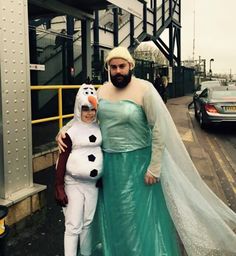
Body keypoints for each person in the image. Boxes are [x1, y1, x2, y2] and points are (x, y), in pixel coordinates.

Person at [57, 47, 236, 256]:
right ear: (108, 69)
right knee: (115, 217)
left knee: (137, 219)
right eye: (113, 67)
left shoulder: (145, 89)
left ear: (130, 66)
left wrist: (155, 167)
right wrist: (64, 130)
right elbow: (86, 116)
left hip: (138, 166)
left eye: (122, 66)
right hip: (109, 168)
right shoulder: (102, 91)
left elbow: (158, 128)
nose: (118, 71)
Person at [55, 84, 103, 256]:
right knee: (73, 225)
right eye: (85, 109)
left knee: (88, 222)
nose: (89, 113)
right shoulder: (70, 132)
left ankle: (86, 253)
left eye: (92, 109)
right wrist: (59, 186)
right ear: (78, 108)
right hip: (73, 183)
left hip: (93, 185)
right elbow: (61, 160)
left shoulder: (99, 127)